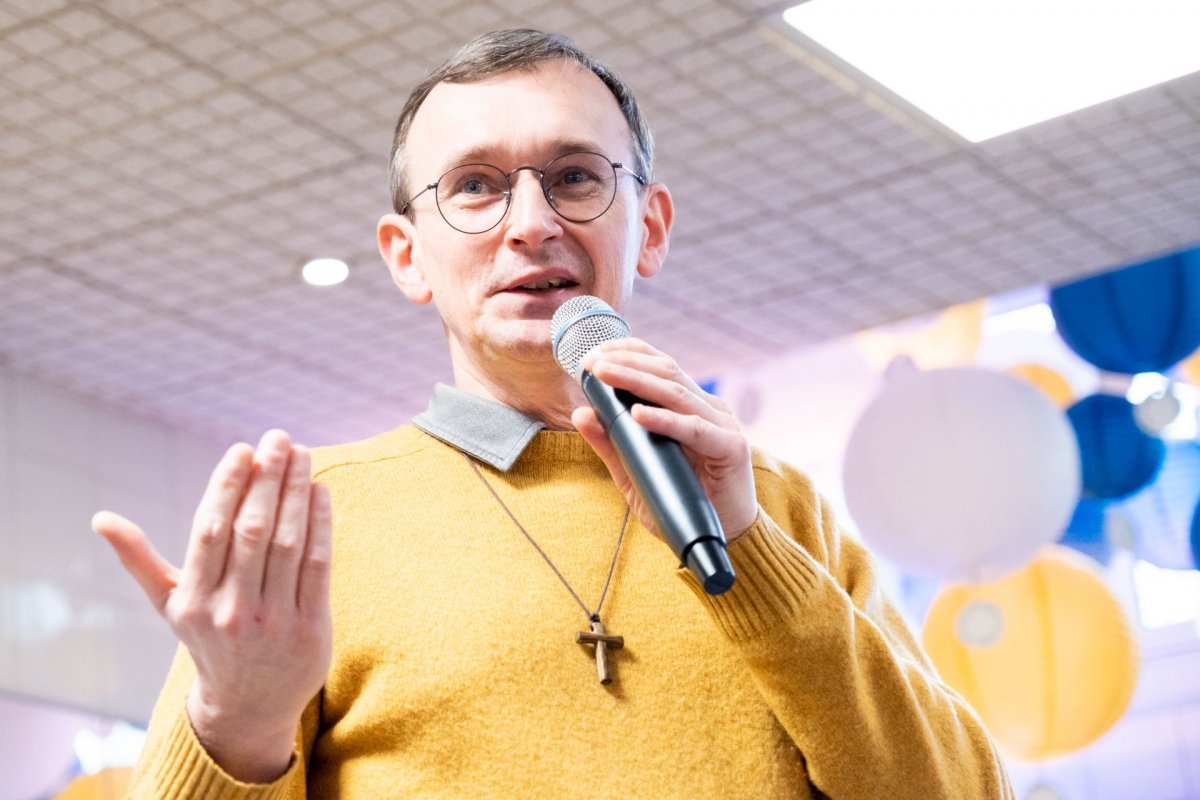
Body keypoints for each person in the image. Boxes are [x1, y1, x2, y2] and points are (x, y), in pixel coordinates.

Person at [94, 28, 1014, 799]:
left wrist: (751, 550)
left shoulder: (777, 507)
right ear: (407, 256)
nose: (530, 221)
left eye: (575, 177)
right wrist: (234, 725)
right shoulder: (318, 522)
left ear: (647, 228)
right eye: (475, 186)